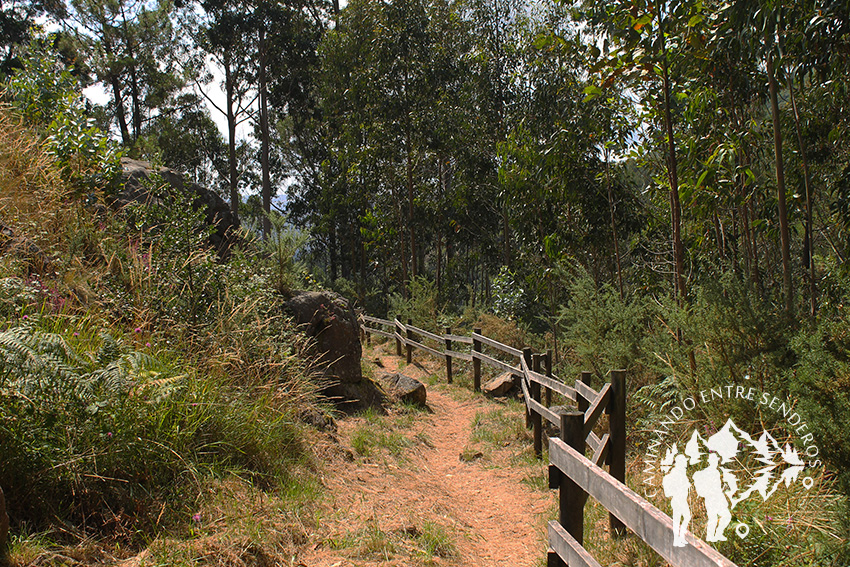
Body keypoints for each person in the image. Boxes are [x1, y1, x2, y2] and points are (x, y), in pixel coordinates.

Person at [693, 452, 732, 541]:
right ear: (710, 461)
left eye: (716, 461)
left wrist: (722, 488)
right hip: (711, 498)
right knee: (713, 518)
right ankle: (710, 537)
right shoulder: (707, 473)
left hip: (717, 498)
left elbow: (716, 487)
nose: (715, 462)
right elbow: (710, 487)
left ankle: (717, 534)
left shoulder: (716, 472)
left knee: (726, 516)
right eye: (713, 460)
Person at [663, 453, 691, 547]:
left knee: (685, 517)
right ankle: (677, 539)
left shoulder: (681, 473)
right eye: (684, 462)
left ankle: (680, 538)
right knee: (678, 519)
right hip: (678, 500)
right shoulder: (675, 473)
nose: (686, 463)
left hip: (682, 499)